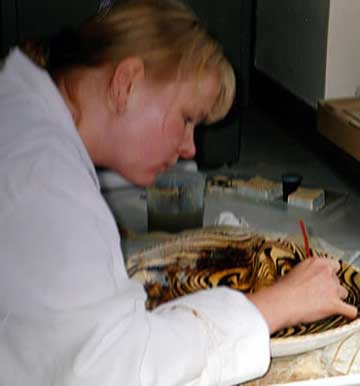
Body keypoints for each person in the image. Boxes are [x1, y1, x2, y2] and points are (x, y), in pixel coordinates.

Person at [0, 1, 357, 385]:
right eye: (188, 119)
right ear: (126, 83)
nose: (190, 148)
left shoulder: (28, 126)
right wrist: (276, 304)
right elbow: (116, 370)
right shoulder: (43, 175)